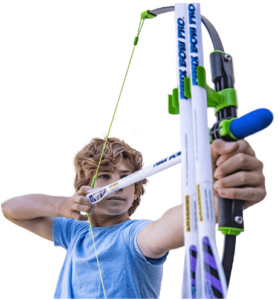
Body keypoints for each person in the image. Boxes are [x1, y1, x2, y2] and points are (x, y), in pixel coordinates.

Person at [1, 137, 266, 299]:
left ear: (136, 188)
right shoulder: (74, 233)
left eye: (127, 177)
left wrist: (225, 199)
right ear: (84, 187)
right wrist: (61, 205)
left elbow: (168, 226)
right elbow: (11, 208)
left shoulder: (134, 236)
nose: (117, 184)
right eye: (104, 176)